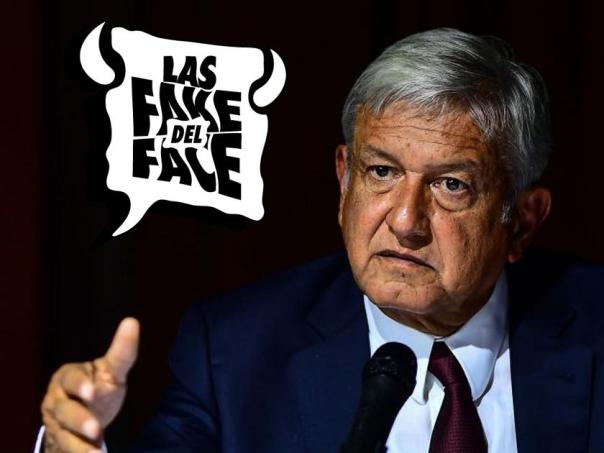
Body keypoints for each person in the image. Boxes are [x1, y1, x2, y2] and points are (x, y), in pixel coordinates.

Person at [39, 28, 604, 453]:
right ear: (343, 181)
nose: (406, 221)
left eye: (451, 185)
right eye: (381, 172)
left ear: (522, 221)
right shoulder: (235, 353)